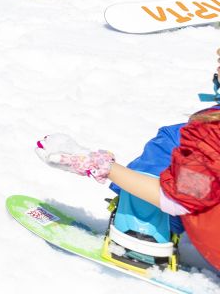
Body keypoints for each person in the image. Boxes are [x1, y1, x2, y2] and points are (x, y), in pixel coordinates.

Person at [36, 53, 220, 272]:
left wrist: (98, 165)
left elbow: (181, 197)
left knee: (173, 141)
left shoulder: (209, 133)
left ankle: (144, 232)